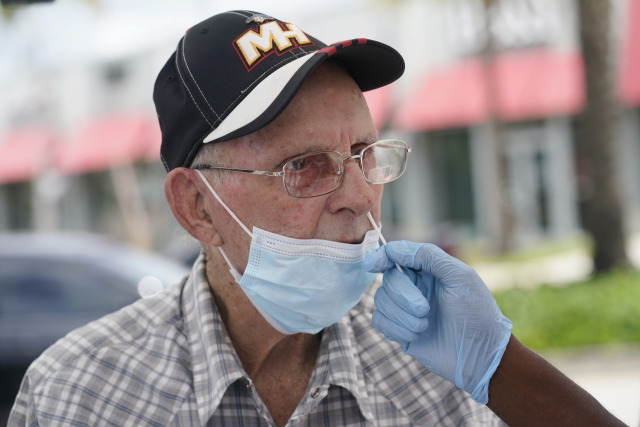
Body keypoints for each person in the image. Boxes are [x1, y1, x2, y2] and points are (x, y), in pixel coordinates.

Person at [9, 10, 624, 426]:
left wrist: (503, 369)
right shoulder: (78, 394)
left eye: (363, 154)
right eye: (303, 166)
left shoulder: (439, 377)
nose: (359, 195)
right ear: (197, 208)